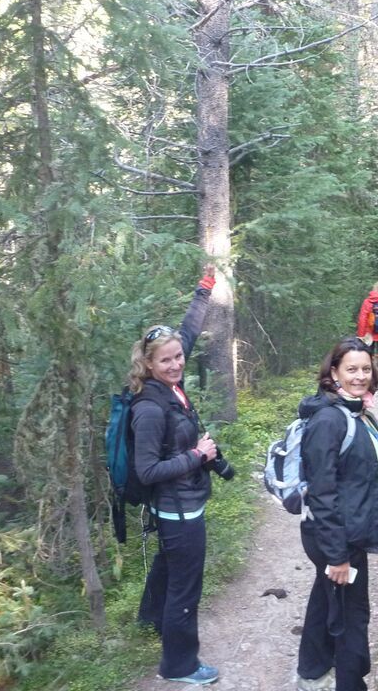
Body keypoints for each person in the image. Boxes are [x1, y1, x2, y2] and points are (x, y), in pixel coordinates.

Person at [130, 268, 226, 686]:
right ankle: (180, 666)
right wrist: (197, 455)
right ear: (148, 364)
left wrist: (204, 290)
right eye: (165, 360)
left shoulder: (171, 382)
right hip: (179, 512)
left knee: (170, 569)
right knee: (185, 589)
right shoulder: (149, 408)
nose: (175, 364)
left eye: (178, 357)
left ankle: (151, 619)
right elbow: (147, 470)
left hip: (180, 506)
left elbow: (187, 329)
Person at [296, 337, 378, 691]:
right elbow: (323, 494)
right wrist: (338, 556)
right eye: (351, 369)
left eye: (365, 369)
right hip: (337, 536)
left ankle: (312, 666)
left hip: (346, 530)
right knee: (352, 616)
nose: (360, 376)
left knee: (327, 594)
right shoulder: (329, 420)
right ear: (334, 373)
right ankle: (351, 683)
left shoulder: (357, 411)